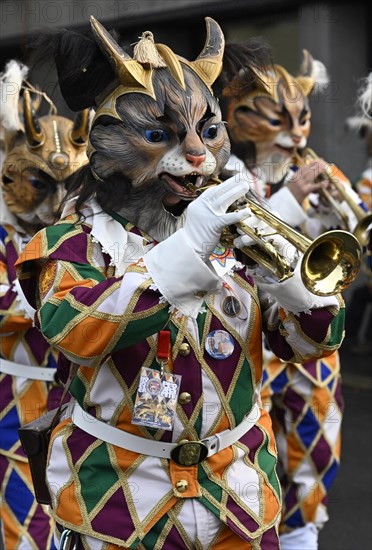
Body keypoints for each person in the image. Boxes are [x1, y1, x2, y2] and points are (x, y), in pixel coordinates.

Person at [15, 19, 345, 549]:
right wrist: (187, 249)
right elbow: (74, 329)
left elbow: (316, 341)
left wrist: (284, 274)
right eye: (158, 135)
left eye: (208, 132)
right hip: (120, 508)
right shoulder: (68, 243)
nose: (197, 154)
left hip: (239, 500)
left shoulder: (234, 237)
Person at [224, 49, 357, 549]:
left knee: (318, 445)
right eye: (281, 117)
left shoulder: (322, 170)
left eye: (303, 117)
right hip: (249, 334)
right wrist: (291, 199)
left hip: (311, 336)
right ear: (240, 116)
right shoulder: (224, 172)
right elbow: (229, 234)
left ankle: (303, 533)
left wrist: (333, 215)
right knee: (245, 450)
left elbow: (346, 244)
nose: (298, 131)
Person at [0, 60, 89, 549]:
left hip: (74, 396)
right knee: (25, 518)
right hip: (15, 397)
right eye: (42, 186)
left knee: (77, 510)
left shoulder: (77, 232)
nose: (56, 204)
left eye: (68, 188)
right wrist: (64, 298)